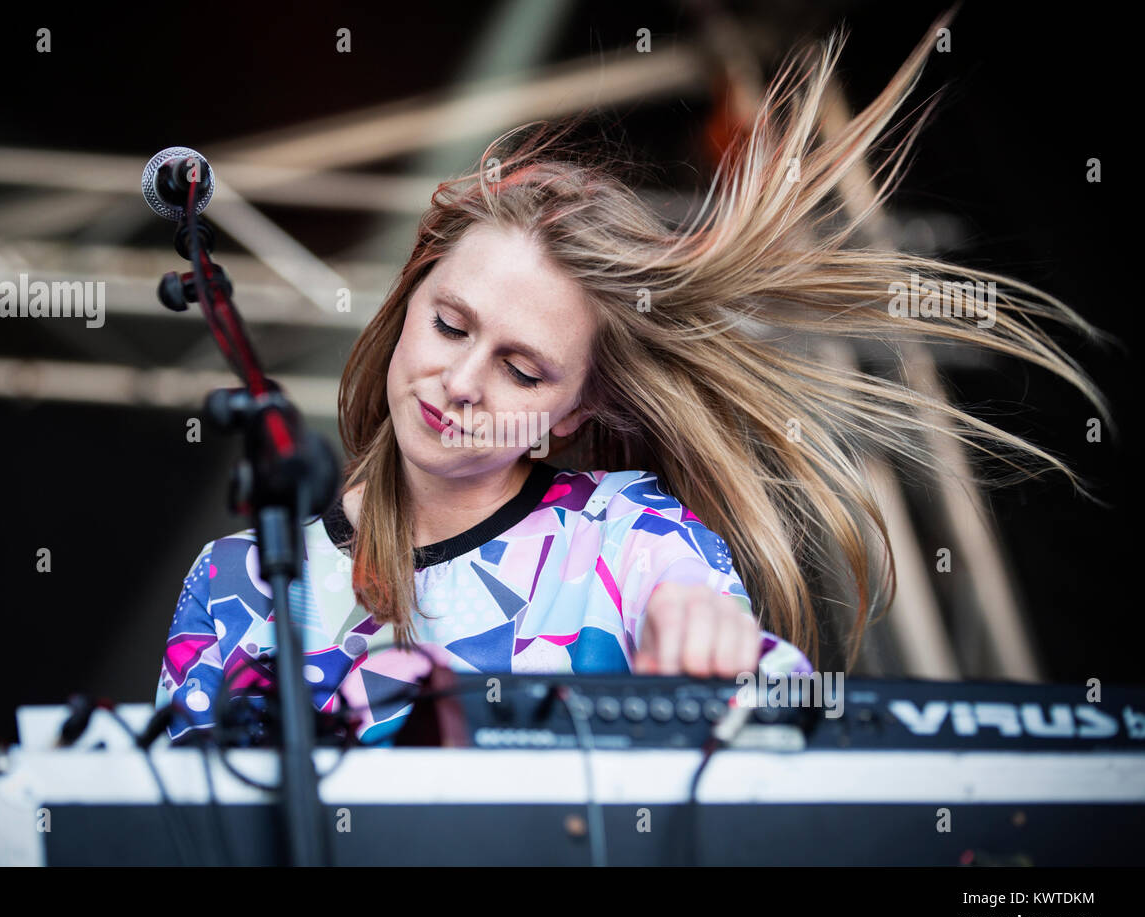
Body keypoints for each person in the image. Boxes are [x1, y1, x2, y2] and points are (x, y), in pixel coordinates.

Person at [154, 11, 1113, 744]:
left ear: (575, 410)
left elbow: (732, 655)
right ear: (408, 299)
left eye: (523, 369)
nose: (459, 381)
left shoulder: (624, 537)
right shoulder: (231, 582)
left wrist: (711, 633)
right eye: (449, 323)